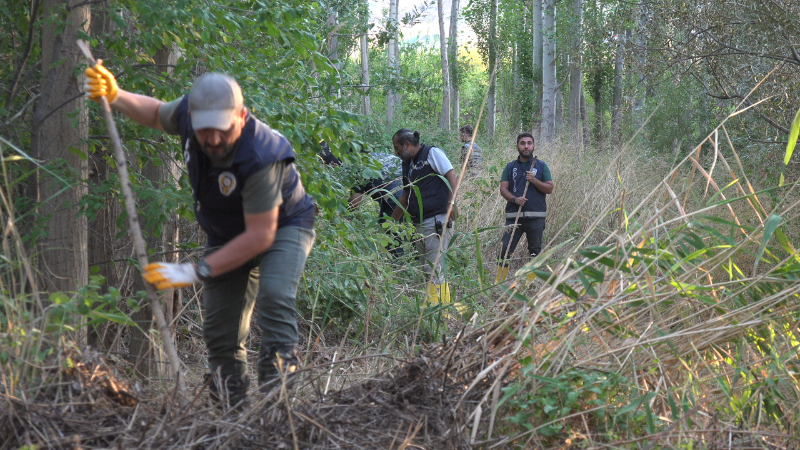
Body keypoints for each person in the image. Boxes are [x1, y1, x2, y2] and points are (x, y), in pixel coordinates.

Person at [84, 63, 316, 408]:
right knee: (220, 333)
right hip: (227, 233)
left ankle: (277, 414)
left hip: (282, 228)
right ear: (191, 115)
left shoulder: (262, 155)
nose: (213, 139)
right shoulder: (189, 115)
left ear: (242, 115)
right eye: (205, 130)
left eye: (222, 130)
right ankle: (231, 416)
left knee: (274, 297)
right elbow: (155, 114)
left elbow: (259, 237)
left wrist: (191, 271)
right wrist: (116, 95)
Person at [391, 129, 458, 309]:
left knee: (434, 271)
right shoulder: (407, 164)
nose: (396, 152)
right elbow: (406, 195)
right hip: (418, 224)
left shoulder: (432, 154)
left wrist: (451, 203)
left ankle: (440, 315)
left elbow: (451, 175)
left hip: (437, 221)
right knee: (427, 271)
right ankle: (437, 311)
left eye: (397, 147)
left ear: (407, 144)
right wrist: (391, 222)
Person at [318, 143, 405, 255]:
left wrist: (336, 216)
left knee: (390, 233)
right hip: (415, 192)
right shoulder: (382, 156)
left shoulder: (358, 168)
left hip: (397, 199)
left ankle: (398, 265)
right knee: (416, 232)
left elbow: (354, 203)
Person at [495, 133, 554, 283]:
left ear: (533, 146)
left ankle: (529, 286)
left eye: (529, 143)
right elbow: (503, 189)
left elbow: (549, 188)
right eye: (522, 143)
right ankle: (498, 284)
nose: (526, 146)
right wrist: (514, 199)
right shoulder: (510, 167)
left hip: (536, 216)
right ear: (517, 147)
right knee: (504, 250)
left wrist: (534, 181)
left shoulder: (541, 166)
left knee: (535, 253)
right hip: (514, 217)